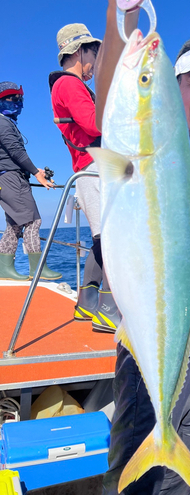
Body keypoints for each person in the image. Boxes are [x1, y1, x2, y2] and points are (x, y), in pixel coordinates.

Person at [95, 0, 190, 494]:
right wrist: (121, 16)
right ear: (172, 90)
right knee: (134, 486)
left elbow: (188, 260)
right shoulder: (158, 153)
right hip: (151, 354)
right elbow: (111, 95)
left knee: (182, 481)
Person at [49, 23, 120, 333]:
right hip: (95, 170)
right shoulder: (69, 85)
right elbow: (94, 124)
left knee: (101, 240)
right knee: (115, 240)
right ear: (79, 51)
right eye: (95, 52)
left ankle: (87, 304)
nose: (97, 60)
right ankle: (109, 310)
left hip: (89, 170)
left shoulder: (66, 86)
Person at [0, 81, 61, 281]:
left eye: (20, 99)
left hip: (9, 178)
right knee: (33, 221)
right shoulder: (2, 122)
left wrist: (34, 170)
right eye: (14, 99)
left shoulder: (6, 122)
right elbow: (15, 152)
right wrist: (36, 173)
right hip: (11, 179)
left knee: (15, 225)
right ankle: (38, 269)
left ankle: (4, 268)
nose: (19, 103)